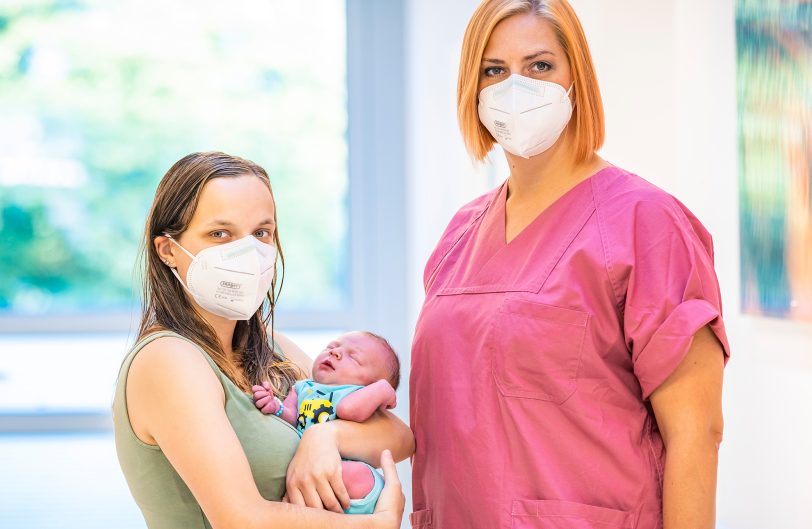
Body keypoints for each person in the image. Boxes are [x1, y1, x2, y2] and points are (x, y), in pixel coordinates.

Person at [409, 2, 730, 529]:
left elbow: (697, 433)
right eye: (495, 70)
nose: (517, 87)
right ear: (474, 89)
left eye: (540, 66)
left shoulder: (646, 221)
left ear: (576, 79)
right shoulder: (460, 233)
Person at [112, 151, 411, 529]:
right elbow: (241, 519)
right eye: (220, 233)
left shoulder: (276, 349)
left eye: (261, 233)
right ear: (168, 249)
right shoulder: (169, 359)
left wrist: (324, 436)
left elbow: (399, 437)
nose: (247, 252)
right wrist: (376, 524)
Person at [252, 331, 400, 515]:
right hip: (314, 471)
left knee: (351, 474)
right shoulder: (302, 387)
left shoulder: (357, 393)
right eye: (331, 347)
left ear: (373, 385)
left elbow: (347, 410)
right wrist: (275, 406)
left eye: (354, 358)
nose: (335, 352)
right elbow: (293, 418)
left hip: (352, 474)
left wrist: (381, 390)